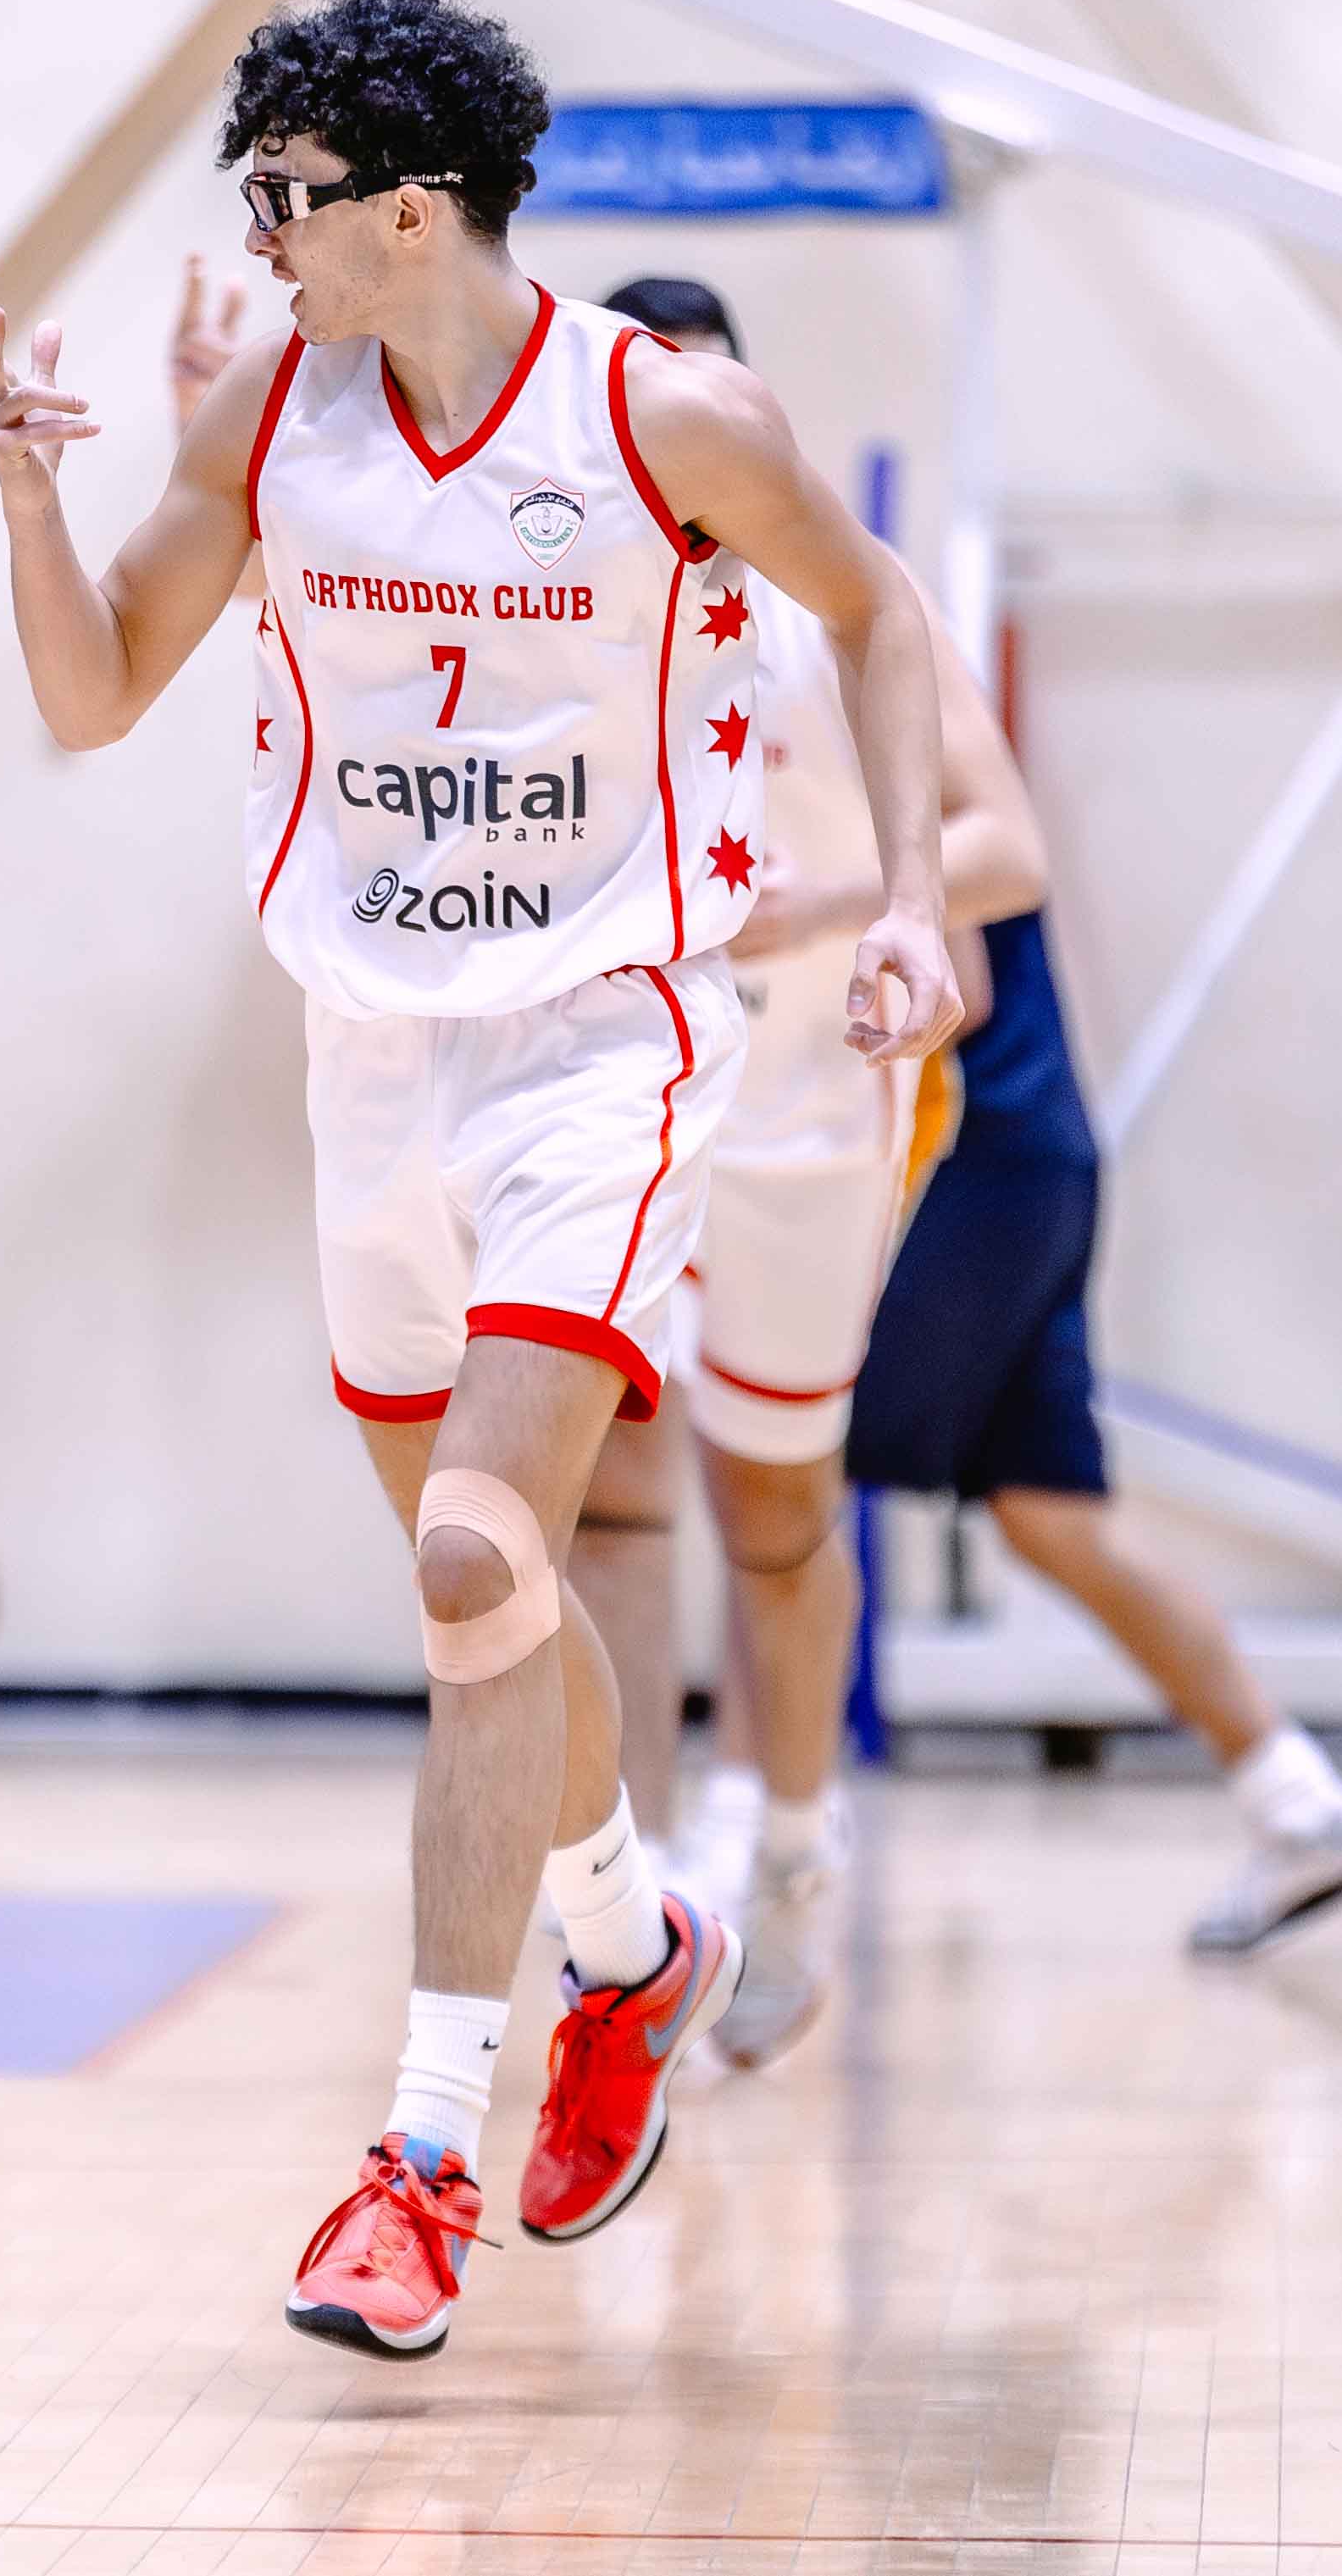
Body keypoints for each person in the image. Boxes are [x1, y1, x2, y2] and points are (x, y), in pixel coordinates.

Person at [0, 0, 959, 2361]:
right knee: (487, 1609)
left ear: (407, 209)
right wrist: (24, 494)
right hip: (372, 1057)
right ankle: (632, 1942)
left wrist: (913, 896)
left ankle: (416, 2160)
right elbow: (93, 691)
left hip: (601, 1043)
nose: (259, 233)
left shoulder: (665, 415)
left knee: (472, 1554)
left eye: (283, 195)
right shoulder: (267, 408)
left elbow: (879, 614)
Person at [543, 277, 1046, 2070]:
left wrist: (828, 900)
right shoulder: (560, 600)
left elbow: (1003, 843)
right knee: (608, 1491)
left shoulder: (841, 594)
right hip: (616, 1089)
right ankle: (629, 1900)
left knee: (770, 1505)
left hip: (807, 1105)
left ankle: (793, 1839)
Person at [846, 910, 1342, 1957]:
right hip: (1033, 1149)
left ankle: (746, 1844)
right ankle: (1300, 1801)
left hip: (976, 1155)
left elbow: (958, 979)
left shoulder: (915, 807)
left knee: (776, 1465)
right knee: (1051, 1520)